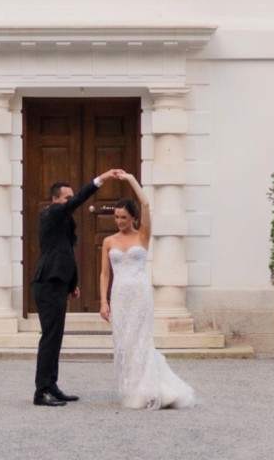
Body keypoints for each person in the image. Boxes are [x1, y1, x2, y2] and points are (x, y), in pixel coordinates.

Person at [97, 174, 198, 410]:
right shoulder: (109, 241)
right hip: (120, 295)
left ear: (133, 218)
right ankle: (133, 388)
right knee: (125, 341)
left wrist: (131, 180)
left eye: (123, 217)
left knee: (141, 340)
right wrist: (103, 301)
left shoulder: (142, 235)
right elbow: (104, 274)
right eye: (116, 217)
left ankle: (151, 388)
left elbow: (145, 204)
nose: (119, 221)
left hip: (140, 295)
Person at [30, 171, 107, 407]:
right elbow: (76, 203)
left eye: (71, 198)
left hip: (57, 283)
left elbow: (65, 253)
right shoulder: (52, 212)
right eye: (67, 198)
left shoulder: (62, 222)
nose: (70, 201)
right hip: (47, 284)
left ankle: (51, 386)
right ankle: (42, 391)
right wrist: (99, 180)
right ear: (55, 200)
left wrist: (72, 284)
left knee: (55, 337)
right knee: (50, 338)